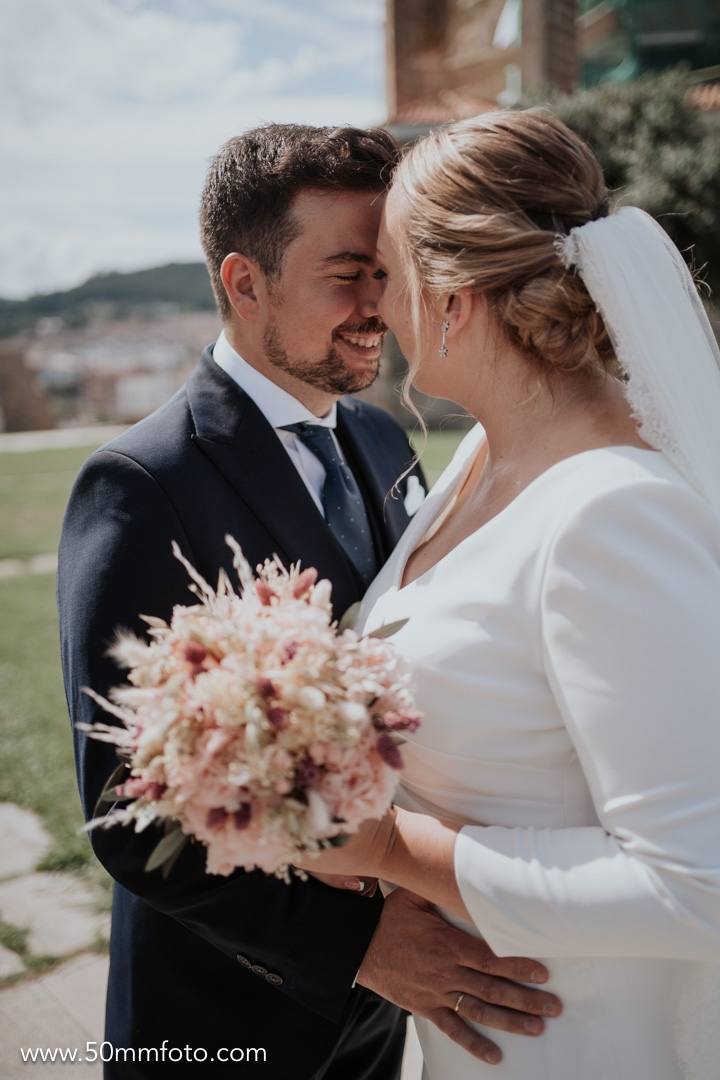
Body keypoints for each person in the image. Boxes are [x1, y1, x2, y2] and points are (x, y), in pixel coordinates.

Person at [58, 122, 559, 1079]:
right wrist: (357, 945)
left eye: (389, 272)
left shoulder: (380, 442)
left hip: (381, 1025)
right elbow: (127, 810)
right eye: (348, 274)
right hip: (220, 1018)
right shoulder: (139, 481)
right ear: (245, 283)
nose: (381, 306)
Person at [298, 109, 720, 1078]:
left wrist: (387, 847)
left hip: (575, 1041)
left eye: (390, 273)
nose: (379, 308)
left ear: (451, 297)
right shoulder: (482, 459)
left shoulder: (615, 514)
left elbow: (702, 886)